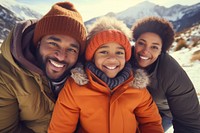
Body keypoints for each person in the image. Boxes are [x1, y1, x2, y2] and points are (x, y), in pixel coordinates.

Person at [48, 16, 164, 133]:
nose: (112, 58)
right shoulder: (75, 88)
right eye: (104, 52)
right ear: (92, 57)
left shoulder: (137, 87)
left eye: (119, 52)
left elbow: (150, 122)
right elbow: (60, 128)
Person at [0, 1, 87, 133]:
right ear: (38, 42)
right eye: (53, 43)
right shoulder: (7, 73)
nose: (61, 56)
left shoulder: (85, 77)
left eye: (72, 49)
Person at [130, 16, 200, 132]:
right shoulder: (123, 57)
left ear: (161, 51)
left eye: (154, 47)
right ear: (135, 42)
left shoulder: (172, 74)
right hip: (134, 107)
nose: (145, 51)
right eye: (141, 43)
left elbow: (189, 123)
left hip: (163, 112)